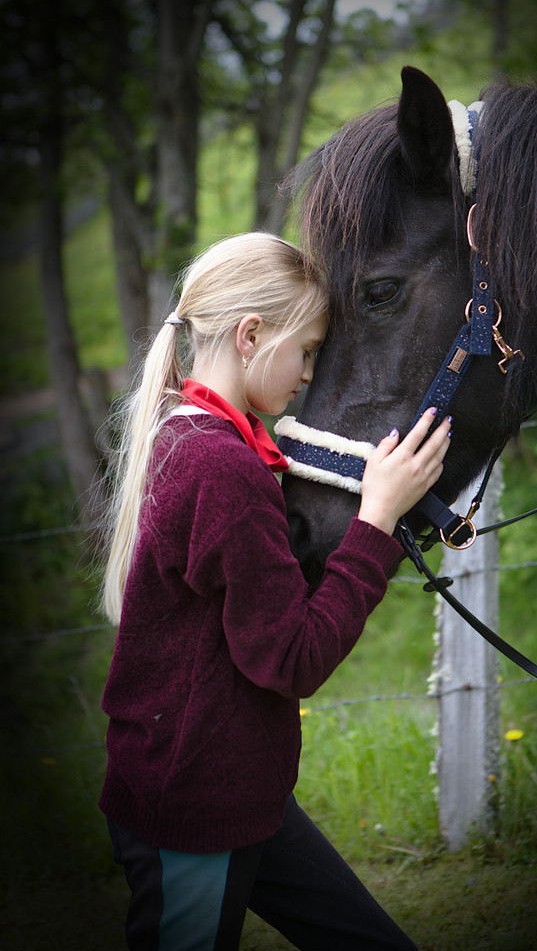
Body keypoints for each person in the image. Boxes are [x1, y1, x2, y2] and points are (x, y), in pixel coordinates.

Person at [98, 231, 452, 951]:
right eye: (309, 350)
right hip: (194, 808)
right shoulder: (219, 468)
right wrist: (377, 521)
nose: (307, 376)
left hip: (238, 790)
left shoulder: (192, 437)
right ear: (252, 334)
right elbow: (290, 659)